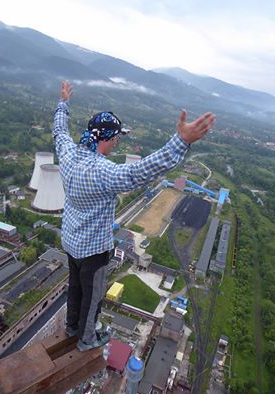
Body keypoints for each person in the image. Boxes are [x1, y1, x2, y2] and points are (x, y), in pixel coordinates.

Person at [53, 81, 216, 351]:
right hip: (93, 251)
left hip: (71, 244)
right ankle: (87, 339)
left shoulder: (68, 153)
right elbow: (139, 172)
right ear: (107, 138)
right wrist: (181, 141)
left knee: (75, 289)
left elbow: (59, 131)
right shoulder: (102, 172)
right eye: (117, 138)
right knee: (92, 297)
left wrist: (63, 103)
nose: (117, 143)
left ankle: (72, 327)